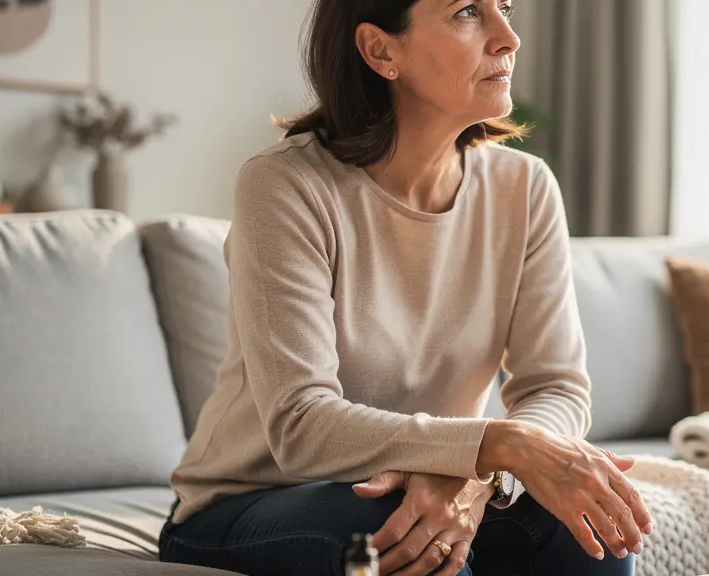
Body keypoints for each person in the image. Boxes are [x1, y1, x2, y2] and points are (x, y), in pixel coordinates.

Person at [157, 1, 652, 575]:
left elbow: (556, 385)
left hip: (438, 479)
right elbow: (301, 423)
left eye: (506, 7)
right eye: (468, 11)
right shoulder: (286, 187)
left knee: (591, 521)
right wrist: (499, 446)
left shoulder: (526, 187)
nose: (509, 38)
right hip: (247, 502)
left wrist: (473, 474)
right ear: (380, 50)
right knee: (406, 536)